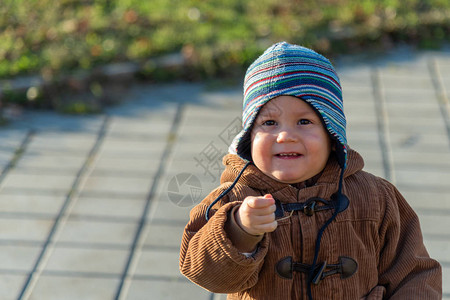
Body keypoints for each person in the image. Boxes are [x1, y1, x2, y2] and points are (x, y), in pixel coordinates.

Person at [179, 42, 442, 299]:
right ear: (249, 136)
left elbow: (414, 274)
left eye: (304, 121)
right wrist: (240, 231)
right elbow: (203, 273)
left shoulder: (376, 197)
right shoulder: (235, 198)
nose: (285, 136)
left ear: (332, 134)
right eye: (269, 122)